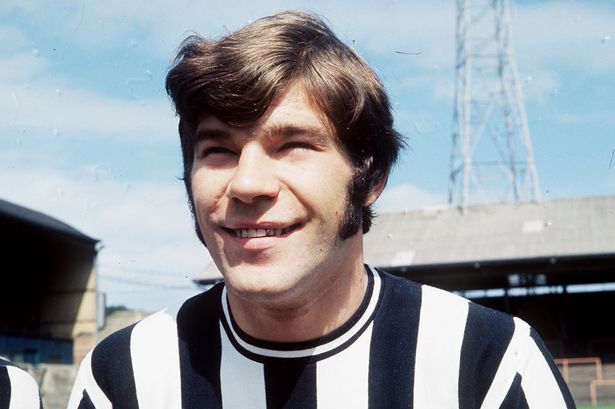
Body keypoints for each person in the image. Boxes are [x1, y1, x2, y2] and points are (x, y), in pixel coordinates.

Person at [68, 10, 575, 409]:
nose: (246, 184)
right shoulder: (123, 376)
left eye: (292, 145)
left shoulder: (491, 363)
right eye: (218, 150)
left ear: (371, 179)